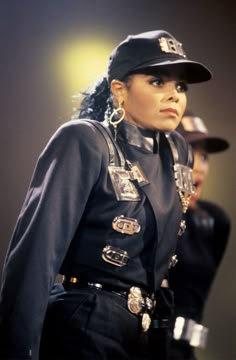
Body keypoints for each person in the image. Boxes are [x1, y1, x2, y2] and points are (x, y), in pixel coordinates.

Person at [0, 30, 212, 360]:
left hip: (148, 332)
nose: (174, 96)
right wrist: (17, 349)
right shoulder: (85, 139)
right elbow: (36, 254)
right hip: (84, 322)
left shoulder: (178, 153)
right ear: (119, 91)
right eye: (157, 81)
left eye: (180, 86)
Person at [168, 111, 231, 360]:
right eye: (188, 154)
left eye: (204, 157)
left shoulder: (215, 221)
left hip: (183, 350)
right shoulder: (147, 214)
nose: (199, 167)